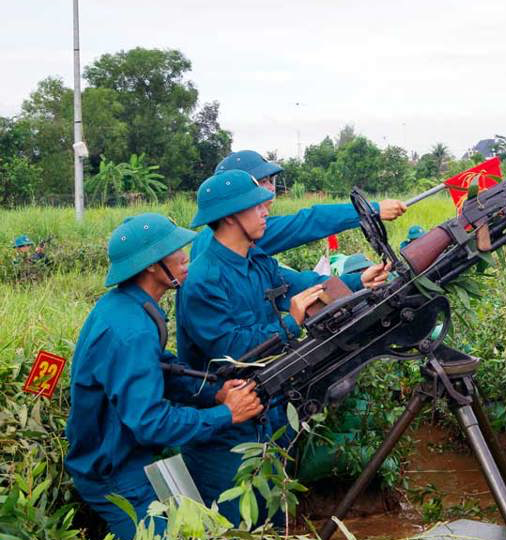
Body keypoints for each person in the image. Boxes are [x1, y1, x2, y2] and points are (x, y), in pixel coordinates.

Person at [174, 170, 391, 527]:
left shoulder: (256, 260)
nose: (265, 211)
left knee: (275, 519)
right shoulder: (203, 280)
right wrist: (290, 321)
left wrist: (356, 281)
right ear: (229, 216)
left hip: (266, 411)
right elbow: (234, 352)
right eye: (256, 206)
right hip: (225, 429)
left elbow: (299, 285)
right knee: (238, 525)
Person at [64, 214, 263, 540]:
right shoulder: (132, 331)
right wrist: (226, 414)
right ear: (152, 266)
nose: (186, 257)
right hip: (112, 471)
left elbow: (163, 368)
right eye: (176, 251)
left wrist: (213, 392)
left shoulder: (130, 306)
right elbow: (150, 422)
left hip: (131, 457)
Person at [191, 150, 407, 260]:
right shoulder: (239, 233)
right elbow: (307, 222)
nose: (271, 189)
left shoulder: (211, 237)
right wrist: (372, 210)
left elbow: (273, 275)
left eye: (270, 181)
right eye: (262, 182)